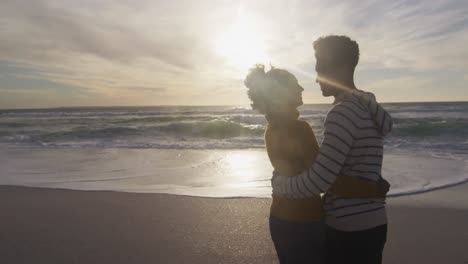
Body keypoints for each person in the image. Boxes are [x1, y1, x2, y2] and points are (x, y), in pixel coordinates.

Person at [244, 64, 389, 264]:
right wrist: (372, 190)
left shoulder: (270, 130)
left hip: (279, 217)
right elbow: (325, 179)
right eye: (296, 85)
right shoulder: (299, 128)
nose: (302, 89)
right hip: (303, 221)